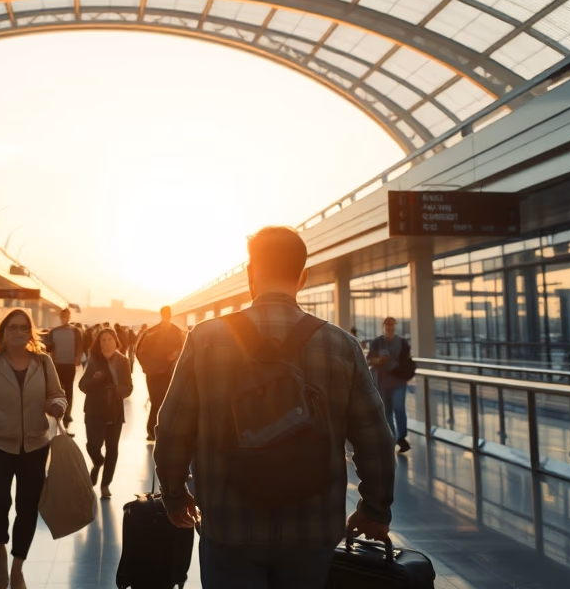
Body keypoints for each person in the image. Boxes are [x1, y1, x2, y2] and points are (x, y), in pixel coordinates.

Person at [155, 227, 395, 589]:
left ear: (251, 274)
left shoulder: (204, 339)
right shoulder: (341, 346)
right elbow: (374, 435)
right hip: (312, 529)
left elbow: (173, 427)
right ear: (302, 277)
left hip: (228, 524)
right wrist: (374, 508)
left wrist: (174, 494)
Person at [0, 309, 68, 589]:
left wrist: (57, 406)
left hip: (35, 445)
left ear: (31, 332)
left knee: (27, 508)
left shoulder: (43, 363)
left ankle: (18, 564)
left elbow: (58, 394)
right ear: (3, 332)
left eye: (24, 328)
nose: (19, 333)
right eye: (13, 328)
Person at [78, 327, 133, 499]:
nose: (107, 343)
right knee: (92, 445)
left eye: (110, 339)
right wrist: (95, 380)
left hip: (114, 411)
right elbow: (82, 385)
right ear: (98, 343)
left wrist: (115, 390)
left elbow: (128, 387)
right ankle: (97, 462)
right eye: (103, 340)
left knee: (112, 449)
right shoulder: (94, 360)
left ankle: (105, 484)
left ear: (116, 341)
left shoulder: (123, 361)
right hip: (94, 410)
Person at [136, 306, 185, 441]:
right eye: (165, 314)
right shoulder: (151, 332)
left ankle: (162, 430)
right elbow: (140, 351)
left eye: (169, 314)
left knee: (166, 401)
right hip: (154, 373)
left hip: (169, 373)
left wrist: (175, 357)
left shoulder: (177, 332)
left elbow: (183, 350)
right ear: (162, 314)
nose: (167, 316)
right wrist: (147, 367)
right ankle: (152, 430)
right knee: (155, 401)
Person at [367, 317, 412, 453]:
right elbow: (369, 361)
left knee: (399, 408)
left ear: (394, 327)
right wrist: (380, 360)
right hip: (382, 383)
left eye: (391, 325)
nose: (389, 328)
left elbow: (408, 361)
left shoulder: (402, 343)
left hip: (398, 382)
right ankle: (391, 438)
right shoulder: (377, 343)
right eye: (387, 325)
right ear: (384, 327)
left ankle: (401, 438)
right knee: (386, 413)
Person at [45, 308, 83, 435]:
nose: (65, 318)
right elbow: (48, 347)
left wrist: (77, 358)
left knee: (69, 390)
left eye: (66, 315)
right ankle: (57, 415)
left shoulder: (75, 331)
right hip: (56, 364)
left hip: (69, 364)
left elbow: (79, 346)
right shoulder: (54, 332)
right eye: (63, 315)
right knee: (57, 391)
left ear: (69, 317)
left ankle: (67, 417)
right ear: (60, 317)